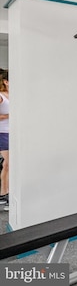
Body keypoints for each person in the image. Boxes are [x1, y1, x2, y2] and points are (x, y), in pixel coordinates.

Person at [0, 69, 9, 211]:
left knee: (9, 165)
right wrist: (10, 115)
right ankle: (3, 194)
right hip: (3, 133)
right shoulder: (1, 96)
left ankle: (4, 194)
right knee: (9, 164)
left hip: (15, 133)